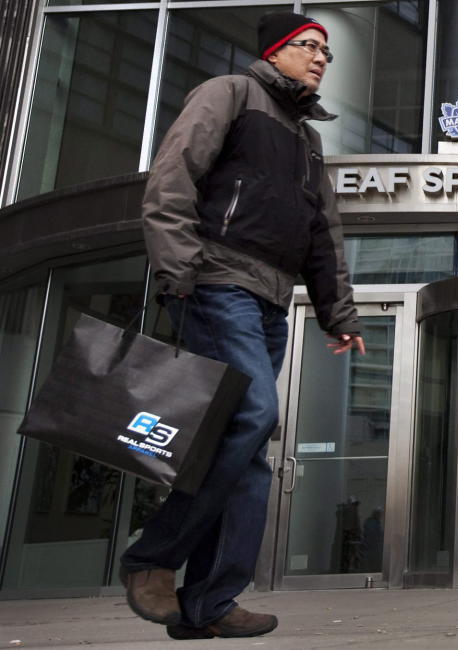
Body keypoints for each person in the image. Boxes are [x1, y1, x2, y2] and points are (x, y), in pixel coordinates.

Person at [119, 12, 364, 640]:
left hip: (270, 301)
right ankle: (153, 556)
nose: (319, 60)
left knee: (249, 449)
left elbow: (323, 235)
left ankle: (209, 604)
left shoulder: (307, 144)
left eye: (326, 53)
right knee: (255, 416)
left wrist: (338, 312)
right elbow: (172, 179)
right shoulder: (230, 94)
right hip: (218, 281)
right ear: (275, 52)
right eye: (309, 47)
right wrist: (180, 271)